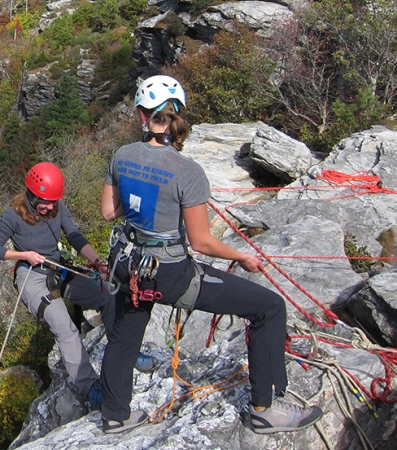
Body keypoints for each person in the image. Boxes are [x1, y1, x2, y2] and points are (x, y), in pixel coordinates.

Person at [98, 75, 324, 434]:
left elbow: (109, 212)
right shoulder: (188, 171)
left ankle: (114, 414)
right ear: (177, 117)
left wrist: (140, 200)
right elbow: (202, 243)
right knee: (269, 308)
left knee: (125, 334)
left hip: (127, 266)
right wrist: (241, 256)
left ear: (143, 116)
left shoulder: (122, 156)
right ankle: (266, 409)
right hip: (169, 274)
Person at [0, 162, 154, 409]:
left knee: (110, 294)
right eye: (46, 201)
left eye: (54, 201)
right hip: (31, 275)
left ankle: (126, 352)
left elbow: (74, 235)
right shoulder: (12, 215)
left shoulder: (57, 209)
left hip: (58, 269)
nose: (50, 207)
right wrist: (24, 255)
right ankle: (89, 387)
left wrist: (96, 260)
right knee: (64, 326)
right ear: (31, 195)